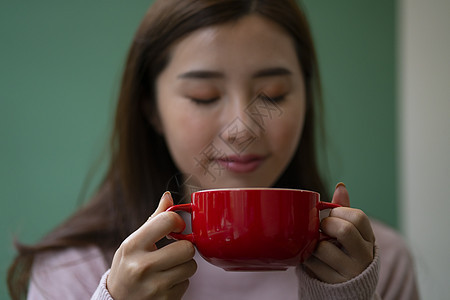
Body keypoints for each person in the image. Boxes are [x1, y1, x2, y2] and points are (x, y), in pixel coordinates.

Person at [8, 0, 419, 299]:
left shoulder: (377, 265)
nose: (241, 129)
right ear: (151, 108)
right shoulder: (73, 272)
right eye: (204, 96)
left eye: (272, 96)